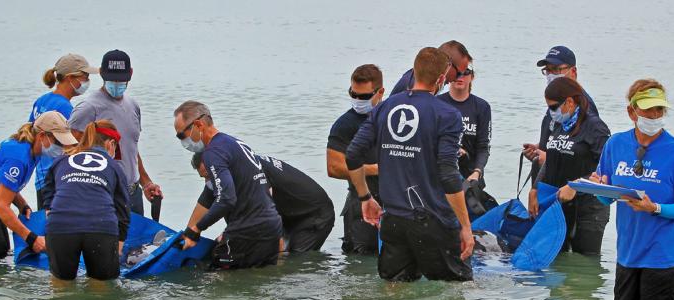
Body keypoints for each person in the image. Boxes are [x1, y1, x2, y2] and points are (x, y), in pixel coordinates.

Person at [346, 47, 474, 281]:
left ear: (414, 72)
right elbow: (448, 173)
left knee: (394, 289)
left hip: (393, 220)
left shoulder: (385, 107)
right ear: (441, 79)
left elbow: (353, 154)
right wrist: (465, 226)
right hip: (432, 220)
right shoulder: (447, 114)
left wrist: (365, 198)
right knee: (459, 290)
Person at [592, 79, 674, 300]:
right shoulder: (615, 145)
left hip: (663, 259)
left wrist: (655, 208)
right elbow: (607, 200)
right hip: (628, 256)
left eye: (659, 110)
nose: (654, 116)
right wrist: (597, 189)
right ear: (632, 111)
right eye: (648, 110)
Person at [175, 100, 282, 270]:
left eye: (181, 135)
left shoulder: (212, 153)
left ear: (198, 124)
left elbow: (226, 199)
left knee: (217, 285)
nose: (183, 141)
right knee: (261, 285)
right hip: (272, 227)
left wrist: (196, 229)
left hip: (247, 231)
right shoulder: (235, 143)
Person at [0, 112, 77, 259]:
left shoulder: (32, 150)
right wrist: (32, 238)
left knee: (3, 252)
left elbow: (5, 184)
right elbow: (1, 207)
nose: (62, 148)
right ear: (42, 136)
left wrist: (22, 205)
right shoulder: (19, 159)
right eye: (58, 143)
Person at [68, 49, 162, 215]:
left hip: (133, 193)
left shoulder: (133, 106)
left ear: (131, 74)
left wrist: (145, 182)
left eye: (122, 80)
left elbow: (131, 147)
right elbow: (70, 151)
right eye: (112, 80)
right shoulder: (88, 108)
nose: (117, 84)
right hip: (104, 192)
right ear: (102, 74)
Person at [527, 77, 610, 255]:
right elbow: (551, 160)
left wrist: (576, 185)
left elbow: (607, 171)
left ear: (570, 102)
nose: (551, 112)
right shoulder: (560, 125)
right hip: (561, 205)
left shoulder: (595, 128)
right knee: (557, 260)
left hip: (589, 210)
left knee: (584, 267)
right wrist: (534, 189)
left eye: (553, 107)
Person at [42, 120, 130, 281]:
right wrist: (118, 246)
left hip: (61, 225)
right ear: (111, 144)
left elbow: (47, 200)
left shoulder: (61, 160)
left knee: (61, 287)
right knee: (100, 292)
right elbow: (123, 210)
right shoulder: (114, 167)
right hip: (100, 226)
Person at [194, 152, 335, 253]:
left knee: (295, 265)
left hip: (314, 214)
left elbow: (268, 218)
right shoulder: (220, 176)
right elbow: (202, 208)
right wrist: (190, 235)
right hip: (288, 214)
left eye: (209, 176)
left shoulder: (251, 174)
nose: (208, 181)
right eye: (204, 177)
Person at [327, 64, 385, 254]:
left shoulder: (393, 117)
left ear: (380, 92)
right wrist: (374, 169)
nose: (358, 100)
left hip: (393, 203)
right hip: (360, 205)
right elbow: (333, 168)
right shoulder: (344, 125)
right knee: (359, 264)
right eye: (354, 94)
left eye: (365, 96)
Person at [29, 53, 99, 210]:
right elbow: (74, 146)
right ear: (70, 78)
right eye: (84, 76)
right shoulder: (65, 108)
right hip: (58, 181)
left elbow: (29, 134)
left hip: (41, 179)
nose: (87, 81)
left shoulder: (41, 101)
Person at [523, 46, 599, 171]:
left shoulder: (583, 105)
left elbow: (587, 156)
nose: (551, 75)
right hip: (545, 180)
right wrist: (539, 148)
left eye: (556, 70)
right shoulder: (557, 98)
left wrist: (550, 158)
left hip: (566, 186)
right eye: (547, 70)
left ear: (573, 72)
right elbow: (560, 139)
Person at [438, 59, 491, 186]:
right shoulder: (437, 103)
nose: (460, 76)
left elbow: (483, 146)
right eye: (457, 72)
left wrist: (477, 171)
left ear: (472, 77)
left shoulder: (482, 107)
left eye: (465, 72)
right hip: (441, 173)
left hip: (470, 175)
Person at [390, 40, 471, 96]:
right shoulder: (415, 84)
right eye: (459, 73)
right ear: (449, 64)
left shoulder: (434, 80)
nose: (457, 79)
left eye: (466, 72)